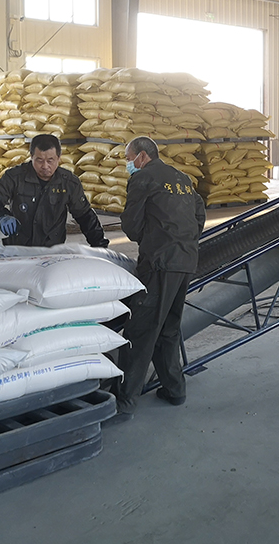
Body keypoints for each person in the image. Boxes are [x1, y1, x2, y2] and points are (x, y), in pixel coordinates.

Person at [112, 136, 205, 420]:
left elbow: (131, 226)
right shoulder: (182, 178)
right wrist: (183, 241)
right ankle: (174, 390)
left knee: (142, 330)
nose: (128, 164)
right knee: (168, 329)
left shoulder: (142, 178)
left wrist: (152, 239)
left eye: (129, 159)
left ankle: (125, 401)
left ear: (142, 156)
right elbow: (199, 214)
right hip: (186, 261)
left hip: (160, 264)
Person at [0, 133, 108, 248]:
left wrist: (100, 246)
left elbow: (85, 216)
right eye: (39, 160)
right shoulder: (15, 177)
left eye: (50, 160)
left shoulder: (68, 182)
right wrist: (1, 216)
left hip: (52, 250)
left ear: (59, 158)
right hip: (18, 247)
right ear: (31, 157)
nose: (45, 166)